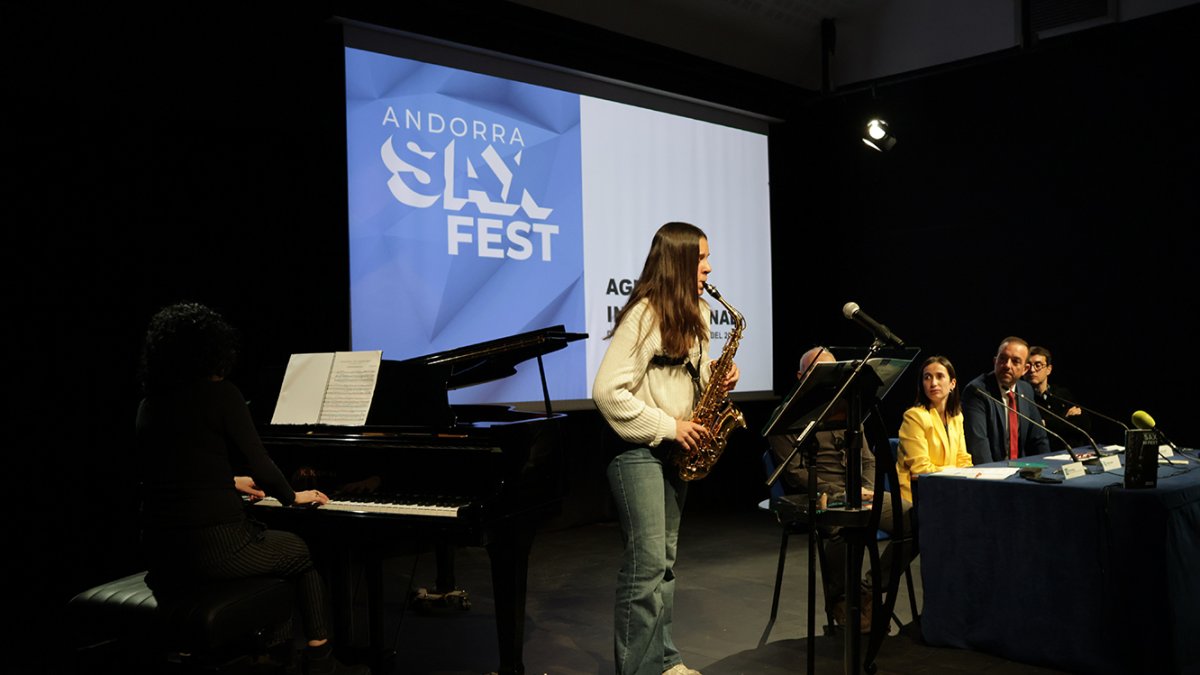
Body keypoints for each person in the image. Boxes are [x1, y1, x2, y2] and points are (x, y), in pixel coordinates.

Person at [135, 302, 367, 675]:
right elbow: (261, 464)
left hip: (160, 552)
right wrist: (292, 496)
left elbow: (168, 470)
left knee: (269, 553)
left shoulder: (149, 405)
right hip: (212, 548)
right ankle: (321, 659)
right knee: (298, 552)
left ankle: (271, 654)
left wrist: (228, 481)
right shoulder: (222, 394)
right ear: (212, 350)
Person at [592, 222, 737, 675]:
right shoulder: (645, 314)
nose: (709, 268)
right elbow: (607, 392)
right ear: (678, 262)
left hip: (674, 449)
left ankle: (662, 660)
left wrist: (718, 377)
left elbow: (680, 382)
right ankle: (638, 668)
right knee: (647, 564)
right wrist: (668, 426)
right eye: (702, 260)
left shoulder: (695, 313)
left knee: (666, 564)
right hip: (636, 451)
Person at [767, 346, 914, 633]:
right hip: (821, 496)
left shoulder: (847, 408)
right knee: (841, 527)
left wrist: (865, 491)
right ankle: (842, 601)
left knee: (915, 520)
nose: (831, 380)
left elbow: (868, 459)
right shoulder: (786, 416)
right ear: (801, 376)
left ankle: (868, 590)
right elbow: (796, 473)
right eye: (820, 372)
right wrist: (844, 495)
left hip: (860, 493)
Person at [961, 336, 1051, 465]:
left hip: (1022, 469)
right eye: (1003, 359)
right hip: (994, 473)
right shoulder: (977, 391)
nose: (1007, 365)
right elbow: (978, 445)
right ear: (995, 361)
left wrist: (1046, 469)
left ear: (1025, 369)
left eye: (1015, 361)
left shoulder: (1026, 389)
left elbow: (1038, 438)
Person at [897, 356, 972, 502]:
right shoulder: (914, 417)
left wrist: (971, 474)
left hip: (948, 489)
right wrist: (957, 472)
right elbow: (921, 469)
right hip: (917, 495)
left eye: (940, 376)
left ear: (952, 383)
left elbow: (963, 459)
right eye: (927, 378)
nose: (933, 383)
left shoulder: (957, 417)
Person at [1026, 346, 1093, 448]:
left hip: (1072, 452)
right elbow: (1035, 430)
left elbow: (1084, 423)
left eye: (1037, 365)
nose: (1032, 370)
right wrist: (1065, 417)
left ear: (1049, 369)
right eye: (1028, 365)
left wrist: (1046, 423)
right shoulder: (1022, 397)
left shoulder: (1062, 393)